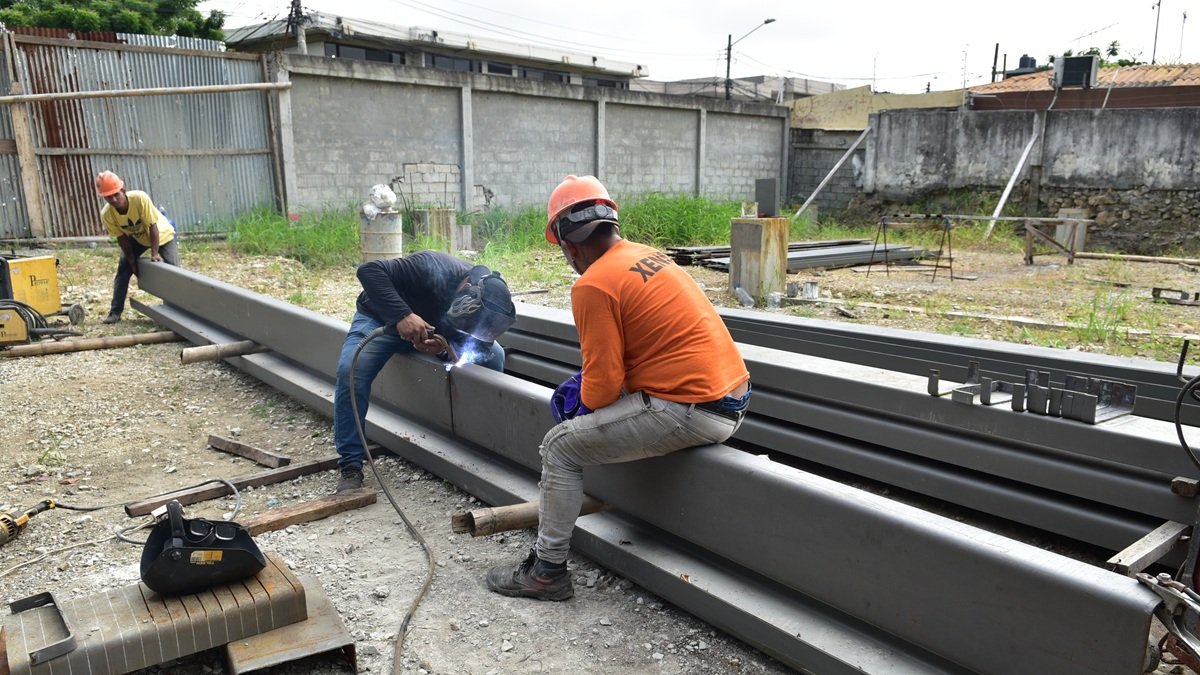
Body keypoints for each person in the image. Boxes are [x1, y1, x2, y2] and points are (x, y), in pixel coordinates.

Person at [485, 175, 751, 601]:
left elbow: (604, 385)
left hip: (693, 410)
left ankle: (547, 570)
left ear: (568, 244)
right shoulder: (650, 256)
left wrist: (583, 408)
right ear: (610, 220)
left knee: (559, 446)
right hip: (731, 398)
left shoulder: (593, 284)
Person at [333, 251, 517, 492]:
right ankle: (350, 463)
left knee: (496, 358)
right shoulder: (433, 265)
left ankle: (488, 443)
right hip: (381, 320)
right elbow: (368, 271)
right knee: (351, 369)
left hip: (429, 334)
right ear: (465, 288)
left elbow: (475, 351)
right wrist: (403, 316)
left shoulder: (485, 311)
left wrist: (442, 350)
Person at [96, 171, 180, 324]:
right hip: (139, 238)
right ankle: (115, 312)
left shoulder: (139, 198)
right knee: (123, 269)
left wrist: (155, 253)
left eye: (116, 194)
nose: (114, 199)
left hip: (161, 234)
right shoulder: (107, 214)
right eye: (109, 197)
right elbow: (123, 239)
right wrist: (132, 262)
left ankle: (176, 309)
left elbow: (152, 226)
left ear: (123, 190)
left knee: (174, 271)